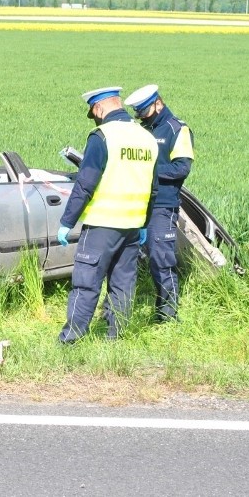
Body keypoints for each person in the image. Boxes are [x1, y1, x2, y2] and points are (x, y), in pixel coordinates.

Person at [56, 86, 158, 343]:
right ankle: (117, 339)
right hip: (133, 227)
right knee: (123, 286)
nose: (96, 118)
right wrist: (144, 223)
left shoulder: (102, 136)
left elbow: (85, 183)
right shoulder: (145, 137)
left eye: (94, 113)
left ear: (99, 108)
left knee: (86, 283)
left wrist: (67, 222)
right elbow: (153, 188)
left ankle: (71, 340)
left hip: (102, 224)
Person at [124, 84, 194, 323]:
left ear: (157, 104)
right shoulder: (142, 130)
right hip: (136, 203)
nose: (141, 117)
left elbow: (181, 169)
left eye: (143, 111)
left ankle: (168, 314)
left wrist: (148, 170)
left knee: (160, 259)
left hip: (162, 206)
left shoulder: (178, 129)